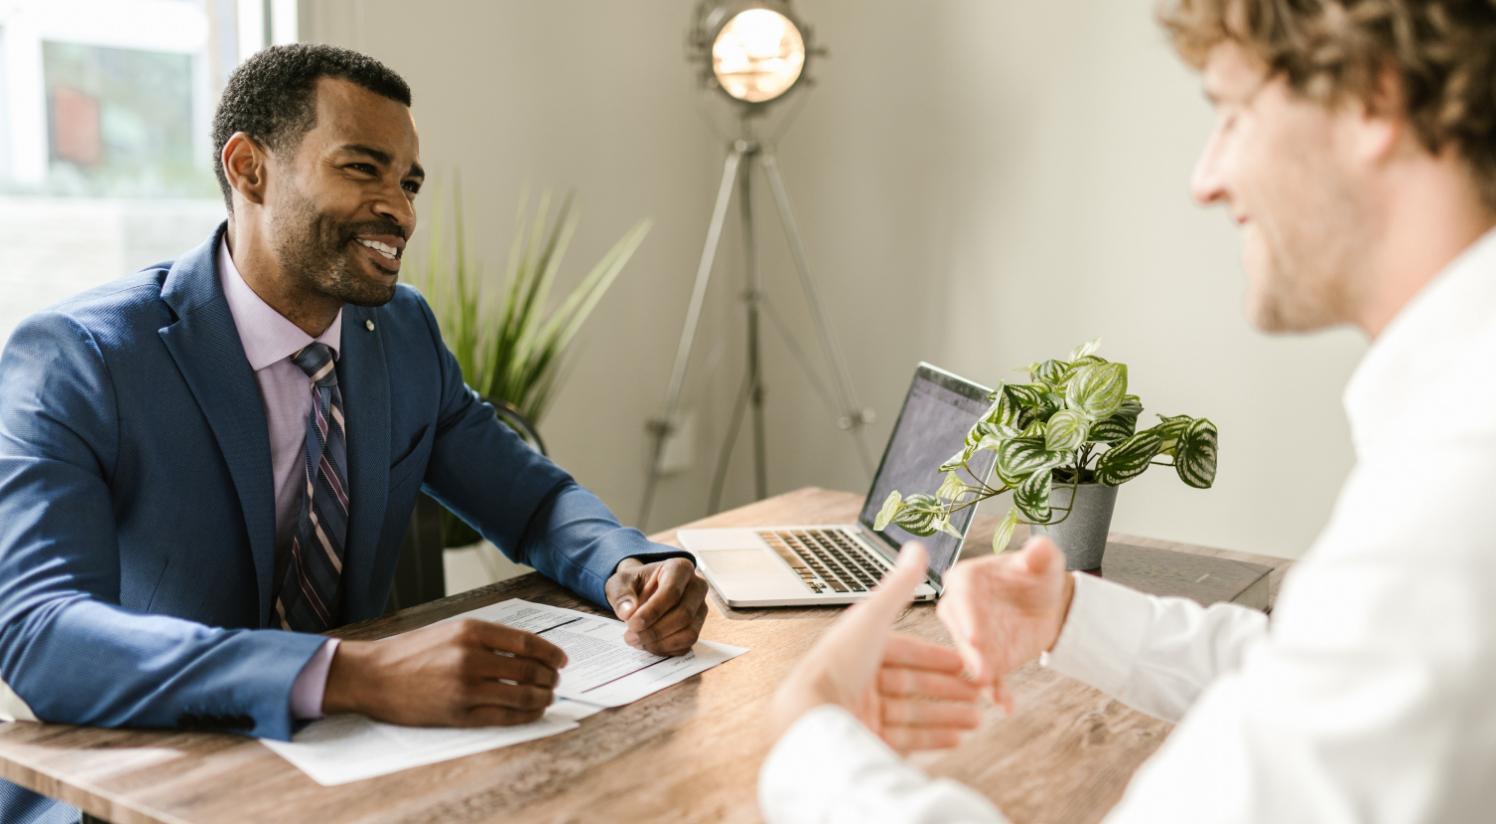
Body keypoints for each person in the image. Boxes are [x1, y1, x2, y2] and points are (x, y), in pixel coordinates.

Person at [762, 0, 1496, 821]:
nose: (1206, 179)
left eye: (1231, 113)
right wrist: (1072, 617)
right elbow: (1326, 673)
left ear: (1373, 99)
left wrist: (807, 740)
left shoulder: (1457, 498)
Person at [0, 44, 708, 823]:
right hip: (146, 788)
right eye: (362, 169)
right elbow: (40, 633)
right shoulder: (82, 358)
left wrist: (626, 562)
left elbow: (532, 501)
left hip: (359, 770)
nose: (400, 210)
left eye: (408, 182)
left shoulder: (399, 332)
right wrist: (351, 674)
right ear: (248, 168)